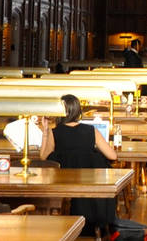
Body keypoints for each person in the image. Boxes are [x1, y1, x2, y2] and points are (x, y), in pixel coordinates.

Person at [40, 95, 119, 237]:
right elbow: (113, 156)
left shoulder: (55, 132)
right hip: (89, 185)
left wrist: (45, 130)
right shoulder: (91, 131)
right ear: (78, 111)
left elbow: (43, 157)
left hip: (63, 183)